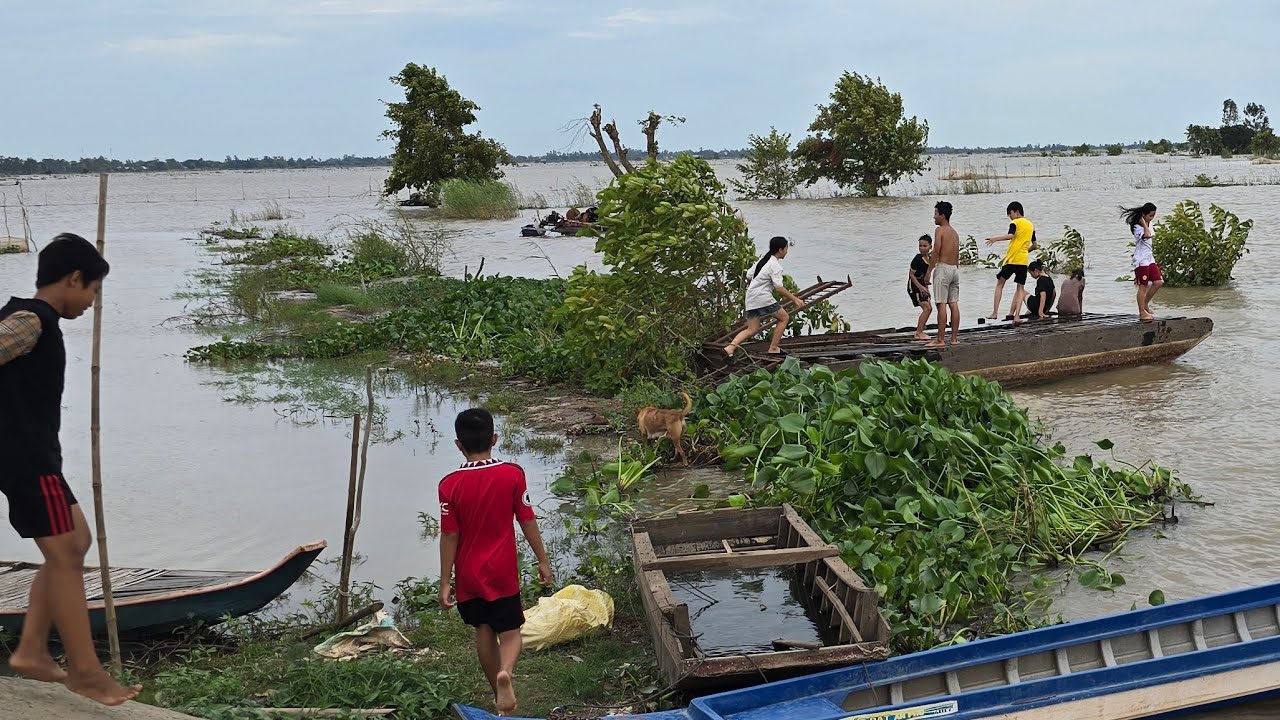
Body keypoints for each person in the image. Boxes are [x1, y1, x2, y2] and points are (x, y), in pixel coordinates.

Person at [0, 234, 141, 705]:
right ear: (74, 278)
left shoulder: (36, 320)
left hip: (36, 458)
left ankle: (33, 650)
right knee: (64, 555)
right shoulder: (30, 320)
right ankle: (85, 671)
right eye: (94, 291)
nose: (92, 302)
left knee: (76, 542)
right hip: (25, 459)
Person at [437, 408, 552, 716]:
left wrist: (446, 581)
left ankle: (498, 698)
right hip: (501, 570)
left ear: (458, 444)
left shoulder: (449, 485)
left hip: (468, 575)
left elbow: (449, 536)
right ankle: (507, 673)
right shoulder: (512, 474)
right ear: (495, 439)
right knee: (511, 631)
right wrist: (542, 560)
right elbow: (527, 519)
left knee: (483, 629)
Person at [724, 236, 805, 357]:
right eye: (786, 249)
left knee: (752, 329)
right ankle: (773, 348)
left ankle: (730, 348)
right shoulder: (775, 265)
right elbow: (779, 287)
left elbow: (749, 275)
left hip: (751, 297)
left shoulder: (763, 261)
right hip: (762, 297)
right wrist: (795, 299)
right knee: (784, 318)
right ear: (780, 250)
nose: (787, 252)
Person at [984, 201, 1037, 323]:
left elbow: (1010, 236)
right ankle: (1017, 316)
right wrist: (1024, 251)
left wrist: (994, 239)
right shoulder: (1031, 226)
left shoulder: (1015, 222)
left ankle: (995, 313)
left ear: (1016, 212)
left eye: (1010, 214)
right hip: (1023, 261)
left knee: (1000, 284)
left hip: (1011, 259)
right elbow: (1035, 245)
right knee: (1020, 288)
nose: (1010, 217)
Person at [927, 202, 961, 347]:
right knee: (953, 303)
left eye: (936, 213)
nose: (934, 217)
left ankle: (940, 339)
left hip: (943, 268)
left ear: (942, 215)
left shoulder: (940, 230)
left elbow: (936, 251)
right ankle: (954, 338)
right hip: (954, 269)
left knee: (941, 304)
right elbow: (957, 254)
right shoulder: (954, 232)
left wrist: (929, 271)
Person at [1121, 202, 1161, 321]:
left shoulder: (1150, 223)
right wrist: (1143, 224)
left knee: (1158, 282)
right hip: (1141, 260)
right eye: (1149, 216)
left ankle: (1145, 304)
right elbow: (1147, 235)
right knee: (1143, 286)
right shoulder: (1137, 228)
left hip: (1149, 258)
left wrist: (1147, 222)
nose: (1151, 218)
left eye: (1153, 216)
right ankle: (1141, 312)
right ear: (1143, 215)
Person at [908, 235, 932, 340]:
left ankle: (920, 331)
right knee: (927, 308)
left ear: (930, 246)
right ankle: (918, 332)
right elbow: (911, 275)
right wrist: (920, 287)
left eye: (924, 246)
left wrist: (927, 289)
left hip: (923, 285)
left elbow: (927, 276)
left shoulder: (929, 259)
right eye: (920, 246)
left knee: (929, 308)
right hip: (914, 286)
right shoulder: (917, 259)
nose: (922, 248)